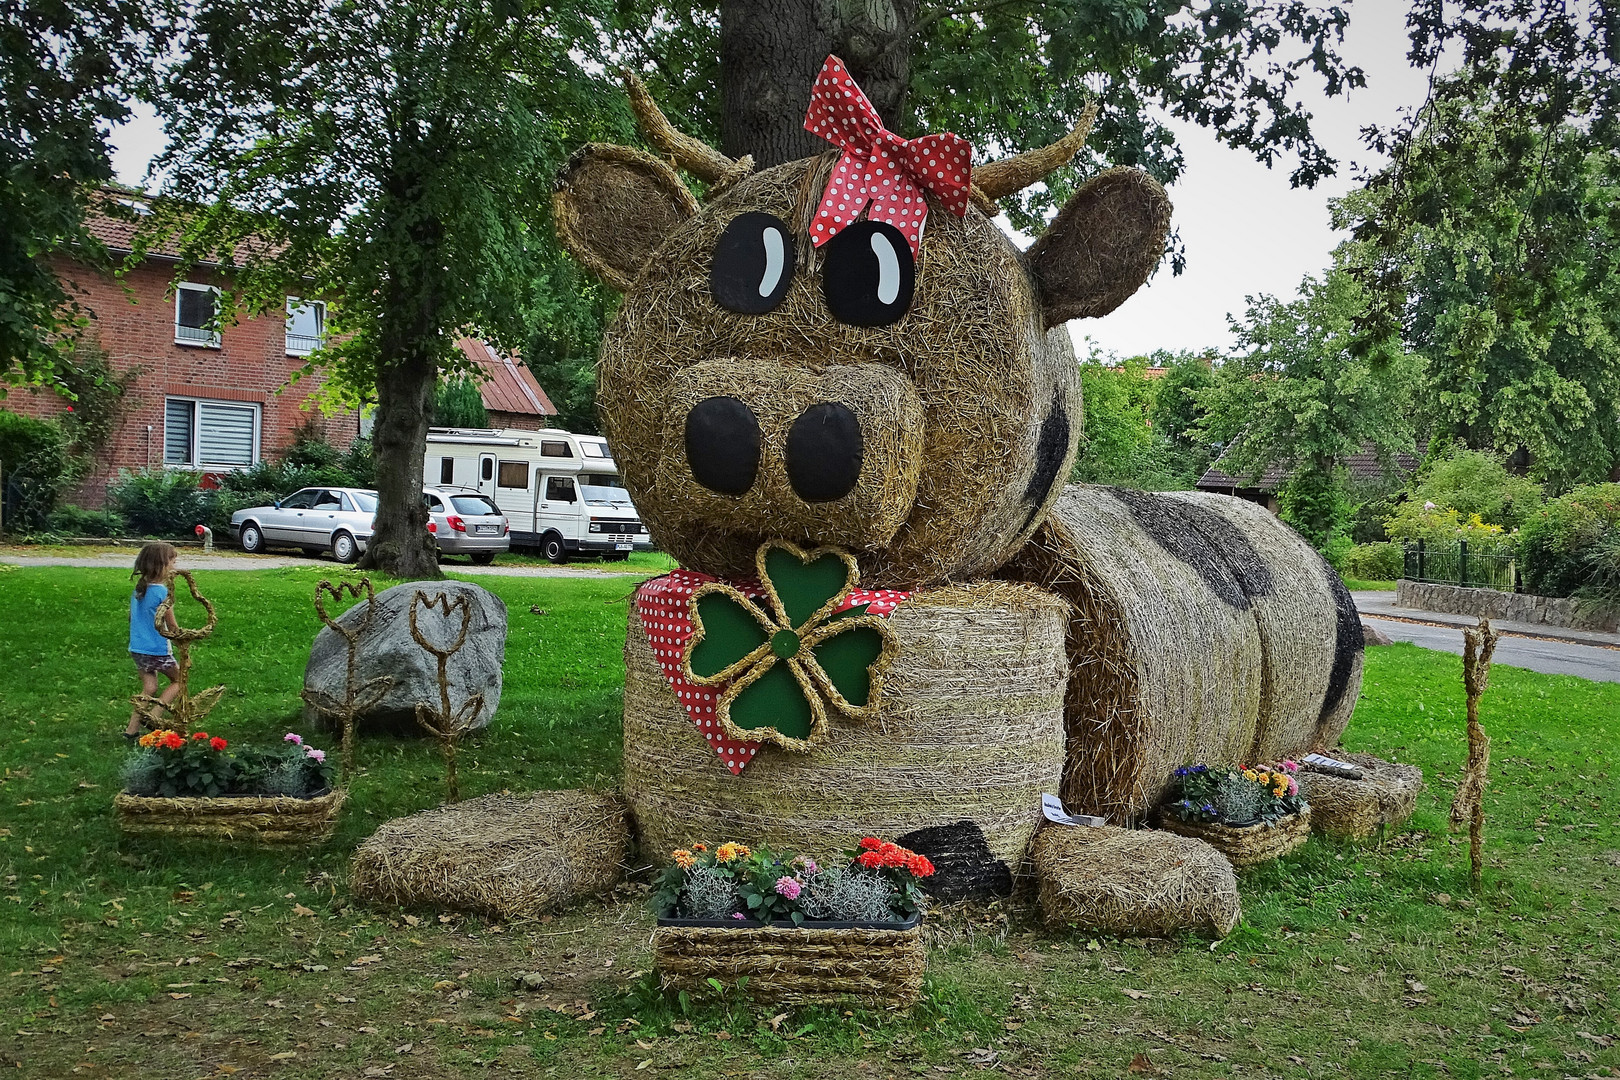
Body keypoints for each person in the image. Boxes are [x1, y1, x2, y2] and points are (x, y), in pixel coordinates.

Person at [126, 542, 181, 739]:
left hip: (137, 648)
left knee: (149, 687)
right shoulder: (161, 592)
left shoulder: (138, 589)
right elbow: (172, 626)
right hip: (157, 649)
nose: (175, 566)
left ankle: (132, 730)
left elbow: (132, 617)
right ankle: (155, 717)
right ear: (162, 565)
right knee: (179, 680)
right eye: (173, 562)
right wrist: (184, 636)